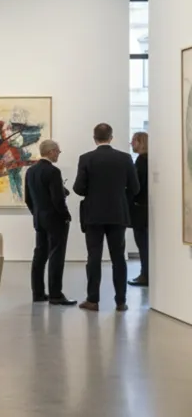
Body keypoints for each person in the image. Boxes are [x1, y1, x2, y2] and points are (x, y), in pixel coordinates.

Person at [72, 123, 139, 311]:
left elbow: (78, 188)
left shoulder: (86, 159)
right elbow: (135, 188)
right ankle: (121, 301)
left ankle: (92, 299)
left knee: (94, 257)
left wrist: (92, 192)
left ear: (94, 138)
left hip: (93, 214)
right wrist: (120, 198)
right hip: (118, 213)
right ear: (111, 137)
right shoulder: (125, 159)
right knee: (118, 257)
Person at [24, 139, 76, 306]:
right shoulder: (53, 172)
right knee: (56, 256)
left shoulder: (30, 171)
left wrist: (37, 213)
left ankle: (38, 293)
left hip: (40, 219)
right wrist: (66, 215)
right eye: (58, 151)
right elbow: (57, 199)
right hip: (55, 220)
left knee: (39, 255)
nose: (59, 154)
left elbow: (28, 199)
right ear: (51, 151)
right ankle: (55, 294)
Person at [128, 132, 149, 287]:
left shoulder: (141, 161)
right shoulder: (150, 159)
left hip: (140, 209)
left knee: (142, 244)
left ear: (140, 142)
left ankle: (145, 275)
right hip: (147, 207)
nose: (131, 143)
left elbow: (136, 187)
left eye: (133, 141)